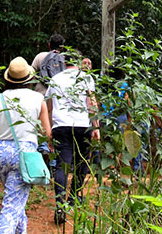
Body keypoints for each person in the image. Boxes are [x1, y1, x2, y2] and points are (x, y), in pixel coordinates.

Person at [0, 57, 52, 234]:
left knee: (16, 200)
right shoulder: (38, 98)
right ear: (29, 78)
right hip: (24, 154)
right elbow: (46, 133)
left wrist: (2, 136)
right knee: (11, 205)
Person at [45, 57, 100, 225]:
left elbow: (49, 107)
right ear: (77, 62)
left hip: (60, 126)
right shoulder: (86, 77)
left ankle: (60, 204)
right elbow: (91, 102)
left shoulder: (55, 79)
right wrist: (96, 126)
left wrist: (49, 131)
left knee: (62, 165)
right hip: (82, 125)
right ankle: (74, 198)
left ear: (64, 63)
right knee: (81, 163)